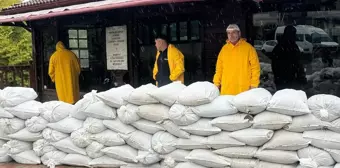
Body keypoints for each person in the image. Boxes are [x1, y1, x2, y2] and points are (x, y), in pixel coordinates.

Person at [213, 24, 261, 95]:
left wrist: (254, 85)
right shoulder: (224, 49)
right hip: (227, 90)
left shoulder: (249, 48)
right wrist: (216, 84)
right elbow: (219, 69)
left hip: (244, 90)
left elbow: (255, 68)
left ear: (239, 33)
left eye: (234, 32)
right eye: (229, 33)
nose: (231, 35)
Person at [271, 25, 307, 90]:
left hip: (283, 80)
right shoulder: (292, 47)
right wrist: (301, 78)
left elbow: (274, 65)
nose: (295, 36)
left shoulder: (279, 47)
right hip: (290, 80)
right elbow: (298, 64)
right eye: (294, 34)